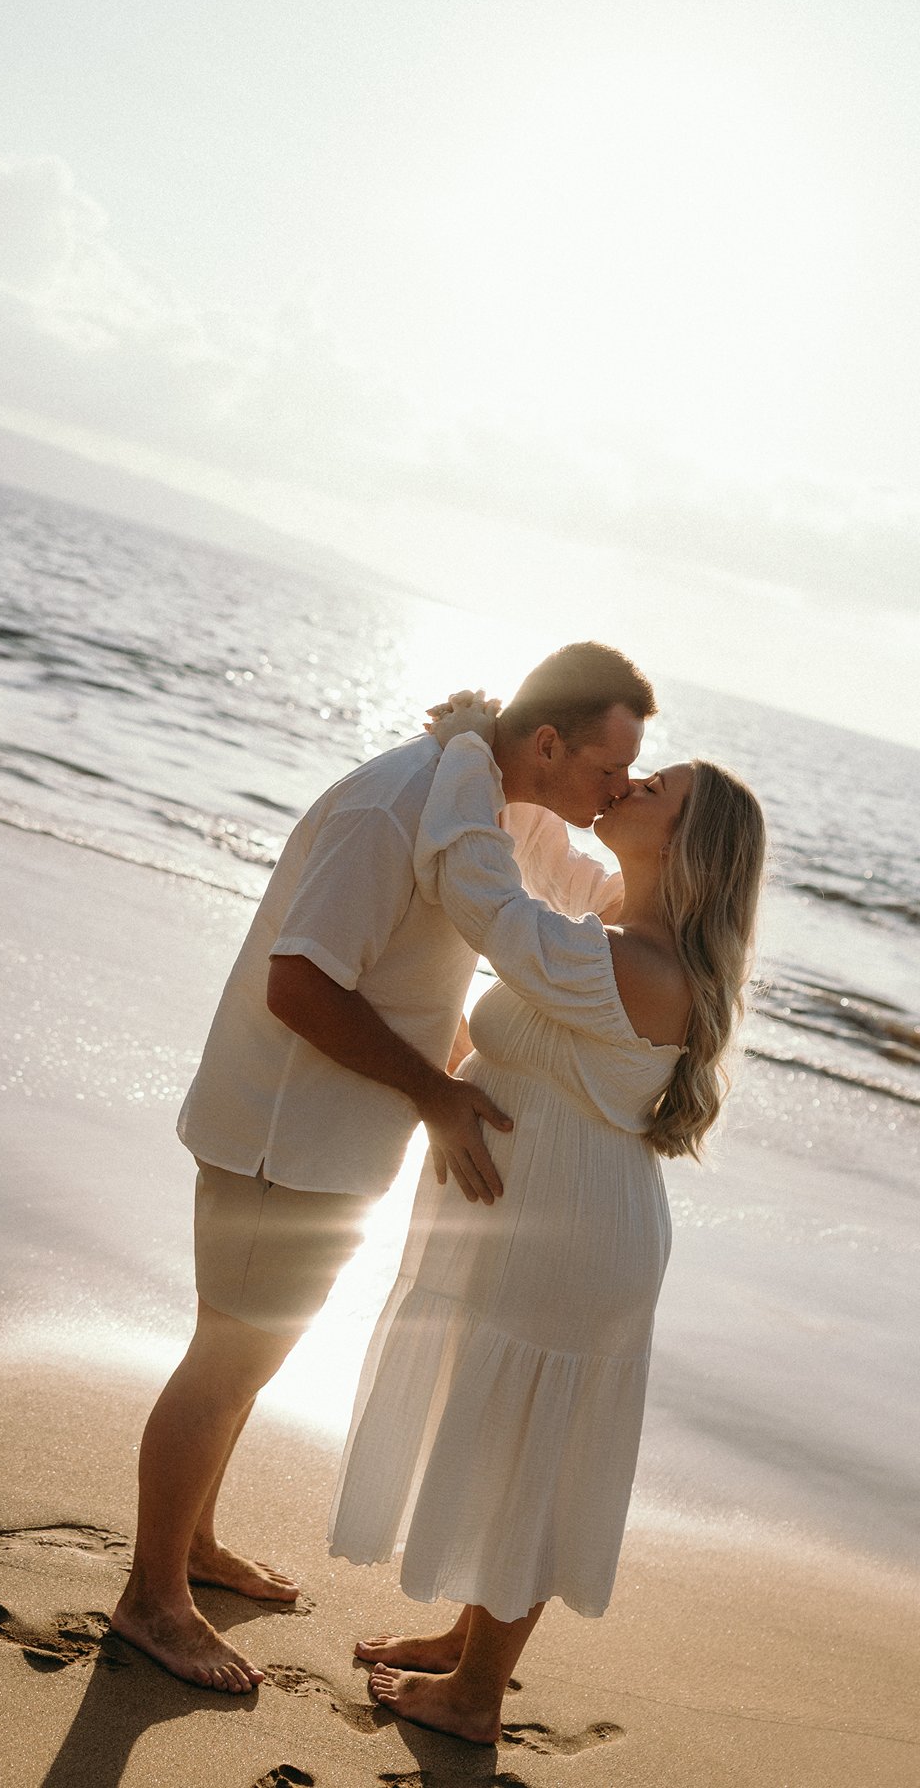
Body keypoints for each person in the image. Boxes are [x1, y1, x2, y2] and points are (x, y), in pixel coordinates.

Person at [110, 643, 658, 1693]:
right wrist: (437, 1093)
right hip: (283, 1125)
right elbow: (301, 987)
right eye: (608, 769)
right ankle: (151, 1601)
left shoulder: (496, 807)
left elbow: (425, 965)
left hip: (336, 1134)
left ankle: (195, 1547)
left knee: (253, 1358)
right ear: (546, 744)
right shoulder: (396, 805)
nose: (621, 788)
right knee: (227, 1356)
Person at [328, 716, 766, 1745]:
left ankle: (478, 1695)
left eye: (655, 787)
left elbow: (485, 896)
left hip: (574, 1241)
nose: (631, 783)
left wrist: (475, 755)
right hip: (555, 1231)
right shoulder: (620, 920)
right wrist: (511, 764)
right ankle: (465, 1646)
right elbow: (537, 855)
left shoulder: (636, 964)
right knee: (507, 1441)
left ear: (687, 845)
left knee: (527, 1453)